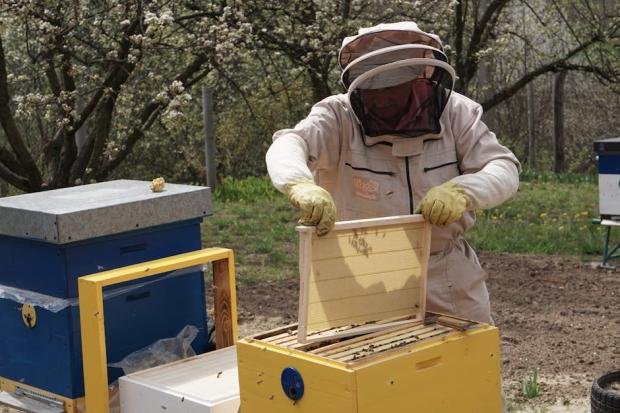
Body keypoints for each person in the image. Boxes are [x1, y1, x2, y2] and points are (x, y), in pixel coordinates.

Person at [265, 21, 520, 325]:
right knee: (360, 367)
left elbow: (504, 169)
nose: (386, 101)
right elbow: (289, 144)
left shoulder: (458, 113)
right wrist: (298, 184)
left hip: (443, 271)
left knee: (467, 361)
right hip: (359, 272)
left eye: (396, 90)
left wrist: (463, 191)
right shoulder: (337, 116)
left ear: (422, 79)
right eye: (377, 93)